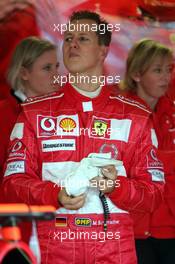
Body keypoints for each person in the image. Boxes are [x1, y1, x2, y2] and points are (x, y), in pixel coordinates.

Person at [2, 11, 164, 264]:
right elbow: (12, 183)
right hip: (56, 243)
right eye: (68, 38)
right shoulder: (34, 111)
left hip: (114, 247)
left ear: (103, 51)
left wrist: (117, 187)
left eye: (83, 38)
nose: (72, 44)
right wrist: (54, 194)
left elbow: (153, 193)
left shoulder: (135, 114)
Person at [122, 38, 175, 264]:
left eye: (169, 70)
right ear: (137, 74)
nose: (166, 77)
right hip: (133, 228)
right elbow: (130, 165)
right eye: (158, 70)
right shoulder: (120, 112)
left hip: (170, 226)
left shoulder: (170, 112)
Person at [0, 36, 59, 188]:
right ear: (24, 73)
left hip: (58, 206)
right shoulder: (3, 115)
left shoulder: (63, 115)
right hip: (13, 209)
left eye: (56, 67)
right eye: (47, 68)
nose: (56, 75)